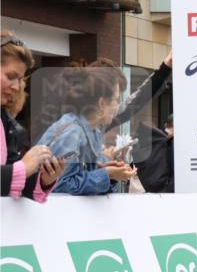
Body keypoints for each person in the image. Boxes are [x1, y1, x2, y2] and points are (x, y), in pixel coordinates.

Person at [36, 59, 138, 195]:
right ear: (102, 103)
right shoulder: (72, 132)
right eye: (116, 100)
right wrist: (106, 174)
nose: (117, 106)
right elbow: (61, 186)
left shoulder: (93, 130)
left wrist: (111, 173)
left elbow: (84, 181)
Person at [1, 33, 63, 199]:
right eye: (10, 76)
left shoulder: (4, 120)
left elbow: (11, 182)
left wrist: (44, 179)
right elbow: (14, 173)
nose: (17, 87)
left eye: (20, 80)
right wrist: (24, 167)